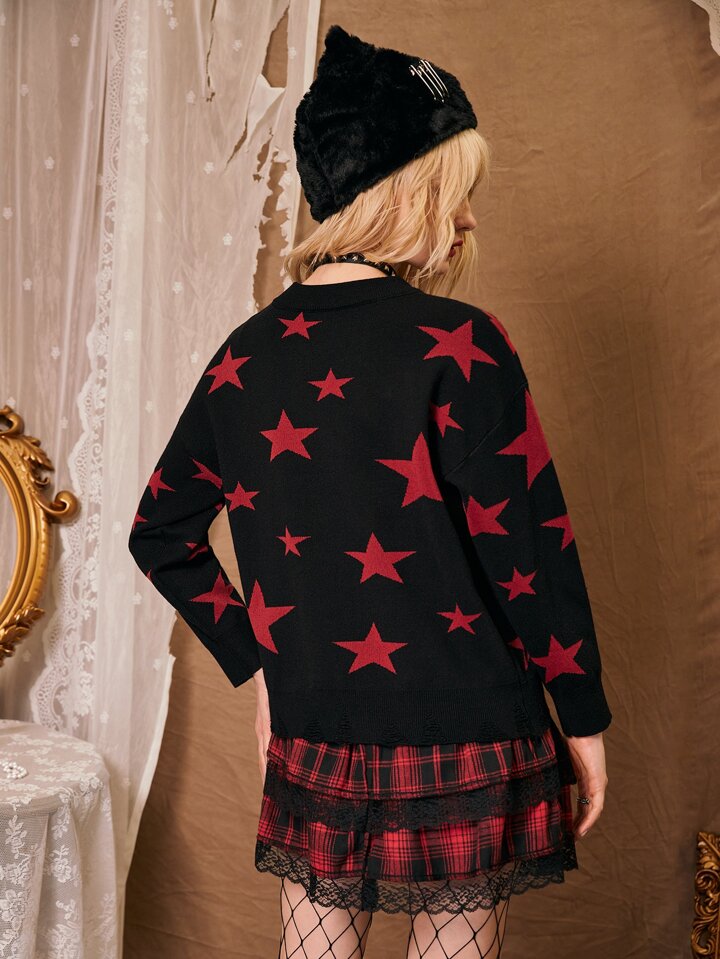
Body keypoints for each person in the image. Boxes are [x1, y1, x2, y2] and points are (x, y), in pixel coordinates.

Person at [128, 24, 611, 959]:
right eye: (456, 192)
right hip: (470, 731)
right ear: (405, 192)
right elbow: (532, 555)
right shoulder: (463, 344)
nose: (468, 221)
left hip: (318, 729)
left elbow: (160, 533)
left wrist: (261, 665)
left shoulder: (245, 356)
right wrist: (583, 718)